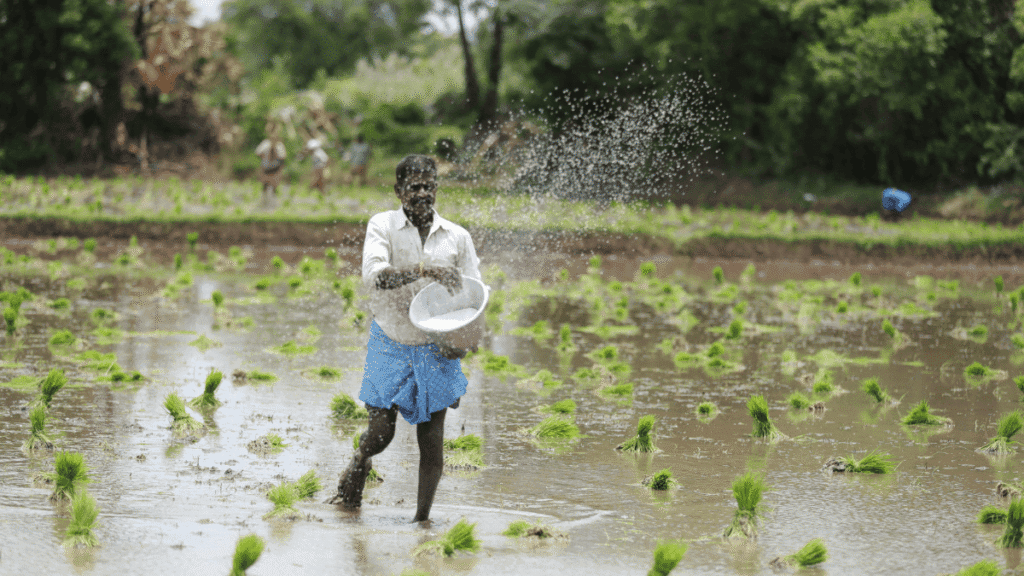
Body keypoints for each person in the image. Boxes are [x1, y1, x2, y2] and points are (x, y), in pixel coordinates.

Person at [326, 154, 481, 523]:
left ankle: (421, 521)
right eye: (415, 187)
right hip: (391, 340)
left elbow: (475, 295)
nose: (423, 193)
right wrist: (425, 270)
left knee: (432, 443)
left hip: (435, 346)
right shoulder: (383, 226)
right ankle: (360, 460)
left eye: (430, 186)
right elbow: (375, 277)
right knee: (381, 433)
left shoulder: (457, 237)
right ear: (399, 191)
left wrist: (465, 340)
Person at [255, 122, 287, 199]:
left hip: (275, 171)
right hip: (266, 169)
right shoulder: (265, 144)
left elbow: (283, 158)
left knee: (274, 189)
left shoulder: (280, 146)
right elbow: (258, 153)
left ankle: (273, 205)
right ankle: (264, 203)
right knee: (264, 188)